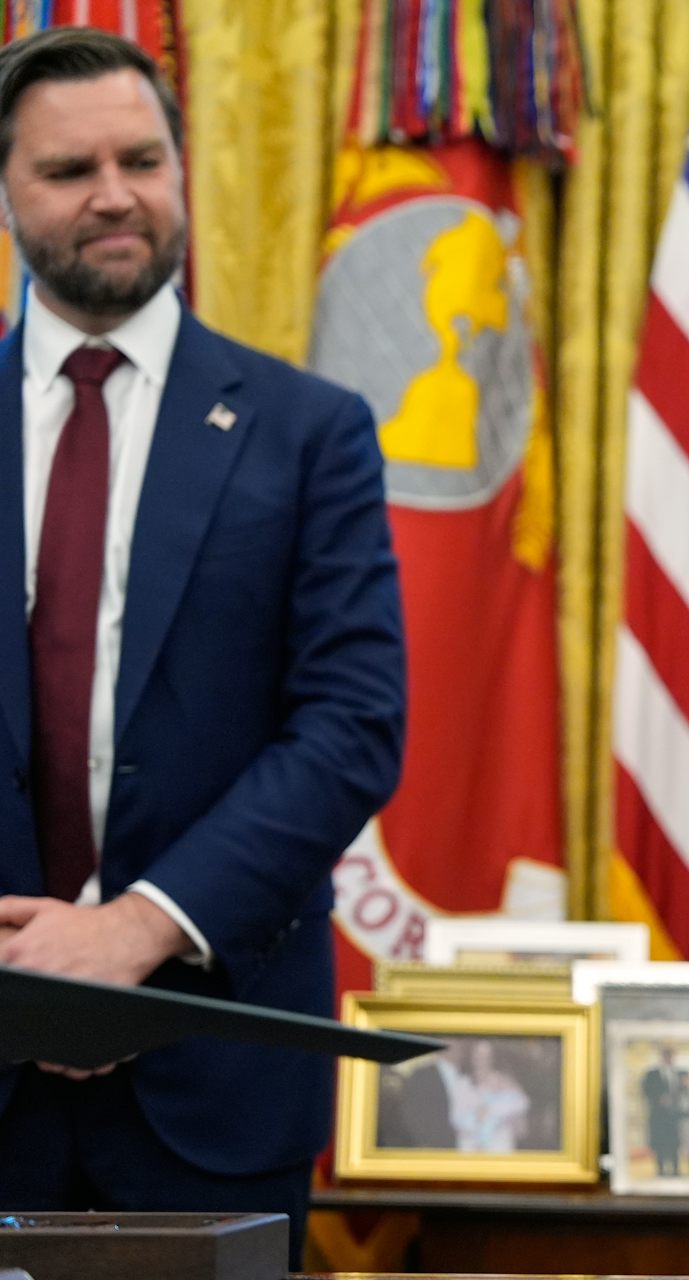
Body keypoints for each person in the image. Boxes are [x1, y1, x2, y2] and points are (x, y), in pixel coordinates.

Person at [0, 26, 405, 1263]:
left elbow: (350, 725)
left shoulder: (309, 431)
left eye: (142, 157)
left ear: (182, 170)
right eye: (70, 169)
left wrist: (133, 928)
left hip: (217, 1066)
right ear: (10, 192)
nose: (114, 192)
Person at [455, 1038, 530, 1154]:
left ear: (493, 1058)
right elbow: (457, 1121)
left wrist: (505, 1116)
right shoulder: (462, 1084)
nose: (481, 1061)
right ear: (471, 1057)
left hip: (500, 1152)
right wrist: (477, 1117)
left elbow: (522, 1128)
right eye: (477, 1056)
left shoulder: (506, 1083)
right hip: (471, 1153)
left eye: (486, 1056)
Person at [643, 1046, 684, 1175]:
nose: (669, 1059)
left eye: (671, 1056)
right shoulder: (652, 1074)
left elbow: (684, 1092)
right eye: (666, 1056)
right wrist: (659, 1099)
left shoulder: (678, 1074)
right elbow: (646, 1090)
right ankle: (660, 1170)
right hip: (658, 1115)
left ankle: (675, 1170)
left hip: (674, 1115)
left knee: (674, 1143)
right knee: (660, 1142)